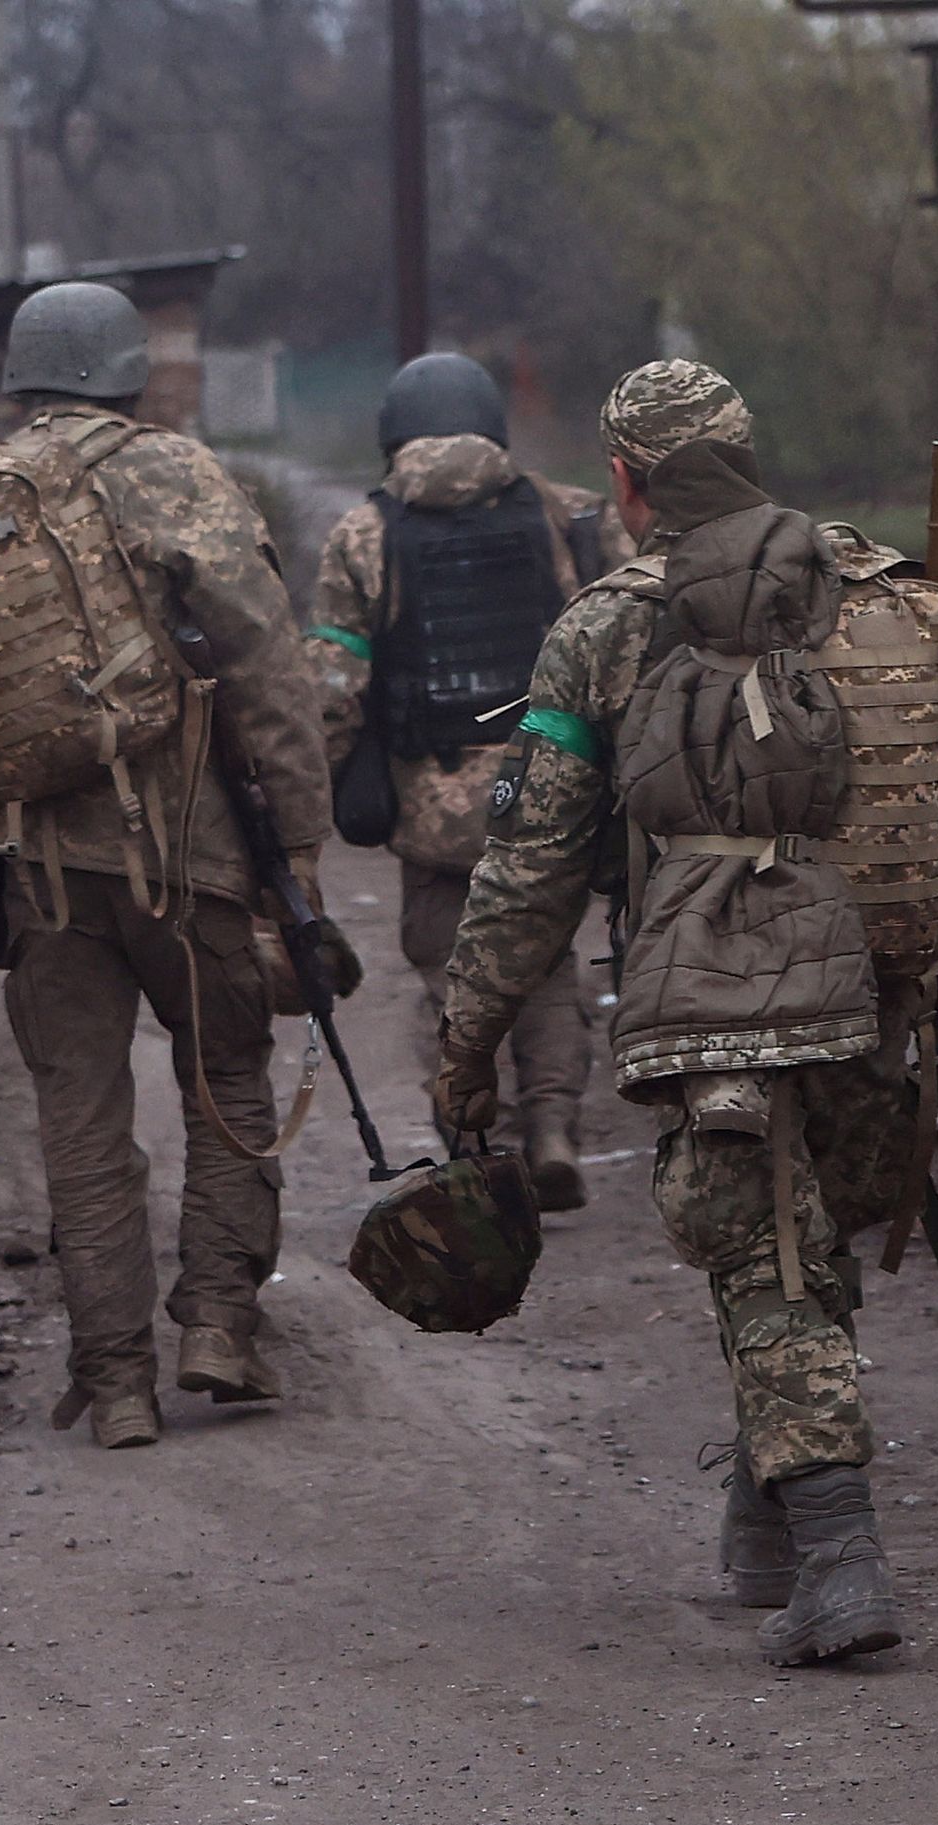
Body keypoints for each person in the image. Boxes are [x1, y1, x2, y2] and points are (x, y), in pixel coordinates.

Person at [432, 358, 938, 1667]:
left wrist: (466, 1036)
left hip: (730, 1000)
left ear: (628, 482)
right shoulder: (882, 590)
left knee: (770, 1267)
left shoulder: (611, 625)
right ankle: (768, 1532)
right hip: (888, 994)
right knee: (804, 1261)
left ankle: (841, 1559)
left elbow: (532, 864)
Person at [0, 281, 341, 1451]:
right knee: (226, 1082)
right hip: (194, 859)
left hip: (37, 866)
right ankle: (220, 1328)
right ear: (130, 371)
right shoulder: (177, 476)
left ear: (24, 374)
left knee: (80, 1123)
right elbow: (268, 664)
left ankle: (117, 1380)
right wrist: (298, 841)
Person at [303, 351, 628, 1211]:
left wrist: (319, 784)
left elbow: (334, 686)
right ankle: (554, 1126)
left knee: (452, 969)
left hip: (433, 807)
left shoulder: (364, 536)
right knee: (547, 958)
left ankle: (481, 1140)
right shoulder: (567, 513)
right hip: (555, 790)